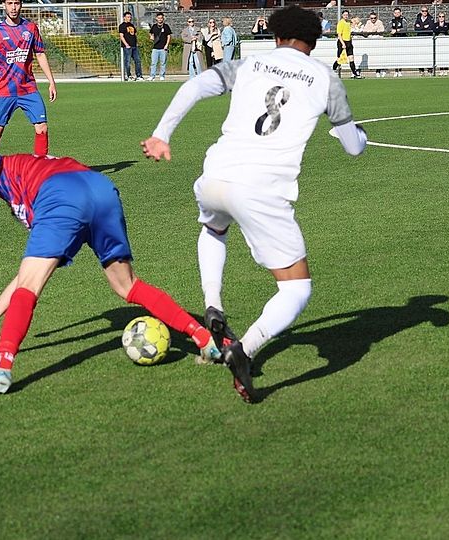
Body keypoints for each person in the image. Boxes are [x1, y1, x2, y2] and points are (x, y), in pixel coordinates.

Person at [140, 6, 367, 403]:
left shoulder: (250, 64)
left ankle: (213, 305)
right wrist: (359, 134)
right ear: (314, 43)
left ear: (276, 36)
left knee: (213, 227)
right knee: (297, 288)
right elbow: (352, 147)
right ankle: (243, 348)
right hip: (261, 190)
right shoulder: (326, 80)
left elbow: (194, 87)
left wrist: (162, 135)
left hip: (214, 175)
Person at [0, 147, 223, 398]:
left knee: (30, 283)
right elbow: (28, 274)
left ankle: (1, 368)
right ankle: (204, 339)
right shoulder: (38, 171)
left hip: (60, 193)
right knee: (127, 285)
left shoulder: (5, 171)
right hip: (100, 188)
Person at [0, 0, 57, 156]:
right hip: (4, 90)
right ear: (3, 5)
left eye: (16, 3)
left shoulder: (30, 28)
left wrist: (51, 82)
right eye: (9, 3)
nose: (13, 7)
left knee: (42, 127)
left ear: (21, 5)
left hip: (28, 88)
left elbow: (40, 54)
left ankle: (39, 169)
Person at [332, 10, 362, 78]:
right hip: (342, 42)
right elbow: (339, 34)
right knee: (339, 59)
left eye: (347, 15)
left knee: (351, 58)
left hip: (349, 42)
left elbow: (356, 22)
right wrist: (343, 43)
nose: (346, 16)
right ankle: (333, 70)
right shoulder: (341, 23)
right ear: (342, 15)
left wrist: (356, 23)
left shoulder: (348, 22)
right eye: (344, 15)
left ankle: (354, 74)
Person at [118, 11, 143, 81]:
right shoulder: (122, 26)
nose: (129, 18)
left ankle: (139, 75)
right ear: (124, 18)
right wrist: (126, 44)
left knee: (138, 60)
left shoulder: (131, 25)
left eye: (130, 17)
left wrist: (137, 43)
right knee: (127, 61)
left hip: (134, 46)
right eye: (128, 17)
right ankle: (128, 76)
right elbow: (121, 36)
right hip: (127, 47)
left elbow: (135, 35)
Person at [148, 12, 172, 81]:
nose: (160, 19)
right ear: (156, 18)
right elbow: (150, 33)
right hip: (155, 48)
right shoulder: (154, 26)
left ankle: (162, 75)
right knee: (153, 62)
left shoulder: (166, 26)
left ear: (163, 18)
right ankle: (152, 76)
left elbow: (169, 36)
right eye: (158, 18)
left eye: (161, 18)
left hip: (163, 48)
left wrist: (166, 45)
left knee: (163, 62)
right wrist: (151, 36)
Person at [361, 12, 385, 77]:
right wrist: (373, 30)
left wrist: (372, 31)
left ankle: (379, 70)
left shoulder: (379, 22)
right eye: (372, 18)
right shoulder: (368, 22)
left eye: (374, 18)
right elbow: (365, 31)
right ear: (370, 18)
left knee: (379, 57)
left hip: (378, 42)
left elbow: (382, 30)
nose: (373, 19)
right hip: (370, 42)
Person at [389, 7, 406, 77]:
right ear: (393, 14)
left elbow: (405, 28)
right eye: (395, 13)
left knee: (401, 55)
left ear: (401, 13)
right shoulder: (391, 21)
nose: (397, 14)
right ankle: (395, 70)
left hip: (401, 39)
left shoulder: (403, 20)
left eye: (398, 12)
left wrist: (397, 30)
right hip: (394, 40)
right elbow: (388, 28)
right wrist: (391, 31)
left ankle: (400, 70)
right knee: (395, 55)